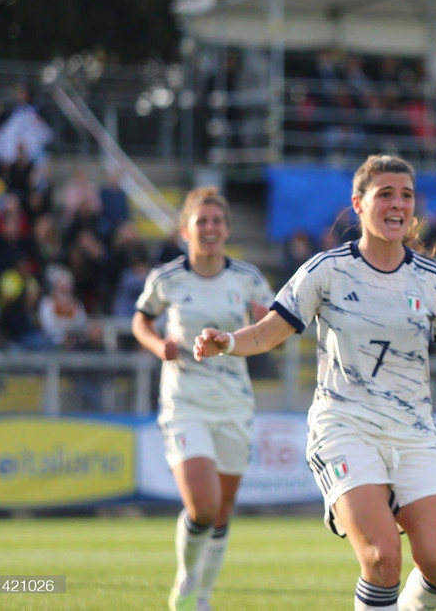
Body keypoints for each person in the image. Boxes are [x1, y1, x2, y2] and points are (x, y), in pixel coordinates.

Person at [193, 155, 436, 611]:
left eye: (406, 195)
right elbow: (271, 330)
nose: (397, 204)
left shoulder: (433, 280)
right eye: (385, 194)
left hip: (414, 436)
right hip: (344, 428)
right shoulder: (326, 270)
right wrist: (228, 341)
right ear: (358, 204)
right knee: (380, 558)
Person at [132, 187, 273, 611]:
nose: (209, 229)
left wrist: (266, 326)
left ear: (226, 229)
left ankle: (202, 597)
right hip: (184, 404)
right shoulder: (167, 278)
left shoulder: (248, 278)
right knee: (203, 505)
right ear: (185, 230)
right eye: (201, 221)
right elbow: (141, 320)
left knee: (223, 509)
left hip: (233, 403)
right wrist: (160, 347)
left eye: (216, 222)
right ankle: (186, 582)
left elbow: (271, 334)